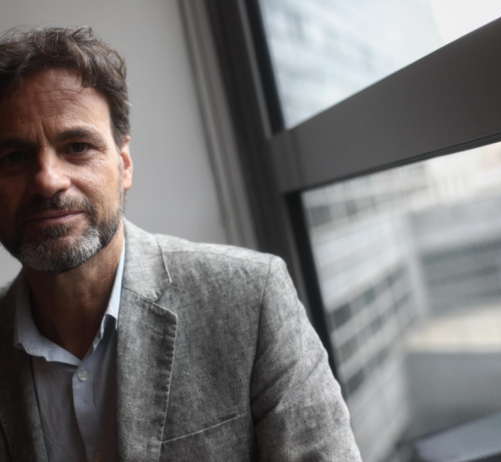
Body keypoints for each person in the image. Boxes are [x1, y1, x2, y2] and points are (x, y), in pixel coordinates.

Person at [0, 26, 361, 462]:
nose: (48, 180)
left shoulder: (250, 298)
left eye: (77, 147)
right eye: (14, 157)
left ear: (124, 164)